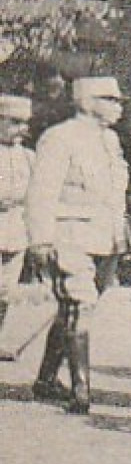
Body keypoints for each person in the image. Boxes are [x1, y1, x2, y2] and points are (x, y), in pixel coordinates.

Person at [25, 76, 130, 413]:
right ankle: (81, 391)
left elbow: (116, 196)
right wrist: (40, 239)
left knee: (75, 308)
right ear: (86, 100)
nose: (118, 106)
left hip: (106, 238)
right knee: (80, 306)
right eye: (110, 99)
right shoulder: (59, 138)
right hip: (69, 234)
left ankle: (45, 379)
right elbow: (41, 193)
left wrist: (123, 233)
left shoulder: (111, 141)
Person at [0, 94, 34, 361]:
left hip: (15, 230)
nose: (21, 129)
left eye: (24, 123)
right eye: (14, 122)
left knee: (5, 290)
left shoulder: (29, 158)